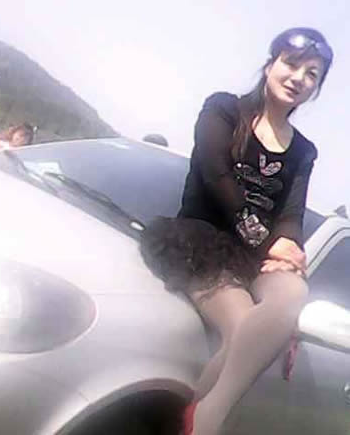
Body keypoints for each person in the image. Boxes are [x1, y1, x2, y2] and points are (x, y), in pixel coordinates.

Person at [139, 27, 333, 435]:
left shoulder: (304, 151)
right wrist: (267, 241)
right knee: (243, 326)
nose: (299, 78)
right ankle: (203, 421)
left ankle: (201, 416)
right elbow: (216, 176)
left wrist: (290, 248)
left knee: (293, 291)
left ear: (315, 89)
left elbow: (291, 213)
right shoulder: (224, 109)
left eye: (312, 74)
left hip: (255, 257)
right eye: (291, 64)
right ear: (270, 64)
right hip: (200, 241)